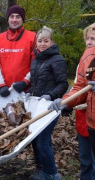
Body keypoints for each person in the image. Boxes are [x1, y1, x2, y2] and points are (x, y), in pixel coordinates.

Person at [49, 23, 95, 180]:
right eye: (87, 38)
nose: (89, 42)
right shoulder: (86, 58)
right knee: (86, 158)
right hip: (91, 120)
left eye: (93, 39)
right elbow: (80, 87)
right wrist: (65, 101)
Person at [25, 26, 68, 180]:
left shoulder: (57, 59)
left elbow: (63, 84)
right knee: (35, 139)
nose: (43, 44)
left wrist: (51, 95)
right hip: (37, 105)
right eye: (40, 41)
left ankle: (52, 174)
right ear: (36, 42)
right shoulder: (37, 59)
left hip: (50, 106)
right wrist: (30, 93)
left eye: (46, 41)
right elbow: (36, 82)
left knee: (43, 141)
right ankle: (41, 169)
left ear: (52, 42)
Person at [0, 4, 36, 98]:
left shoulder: (33, 38)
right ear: (8, 19)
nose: (14, 20)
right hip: (5, 91)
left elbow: (36, 63)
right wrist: (1, 85)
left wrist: (26, 81)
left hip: (26, 90)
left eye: (18, 17)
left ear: (22, 19)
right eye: (12, 16)